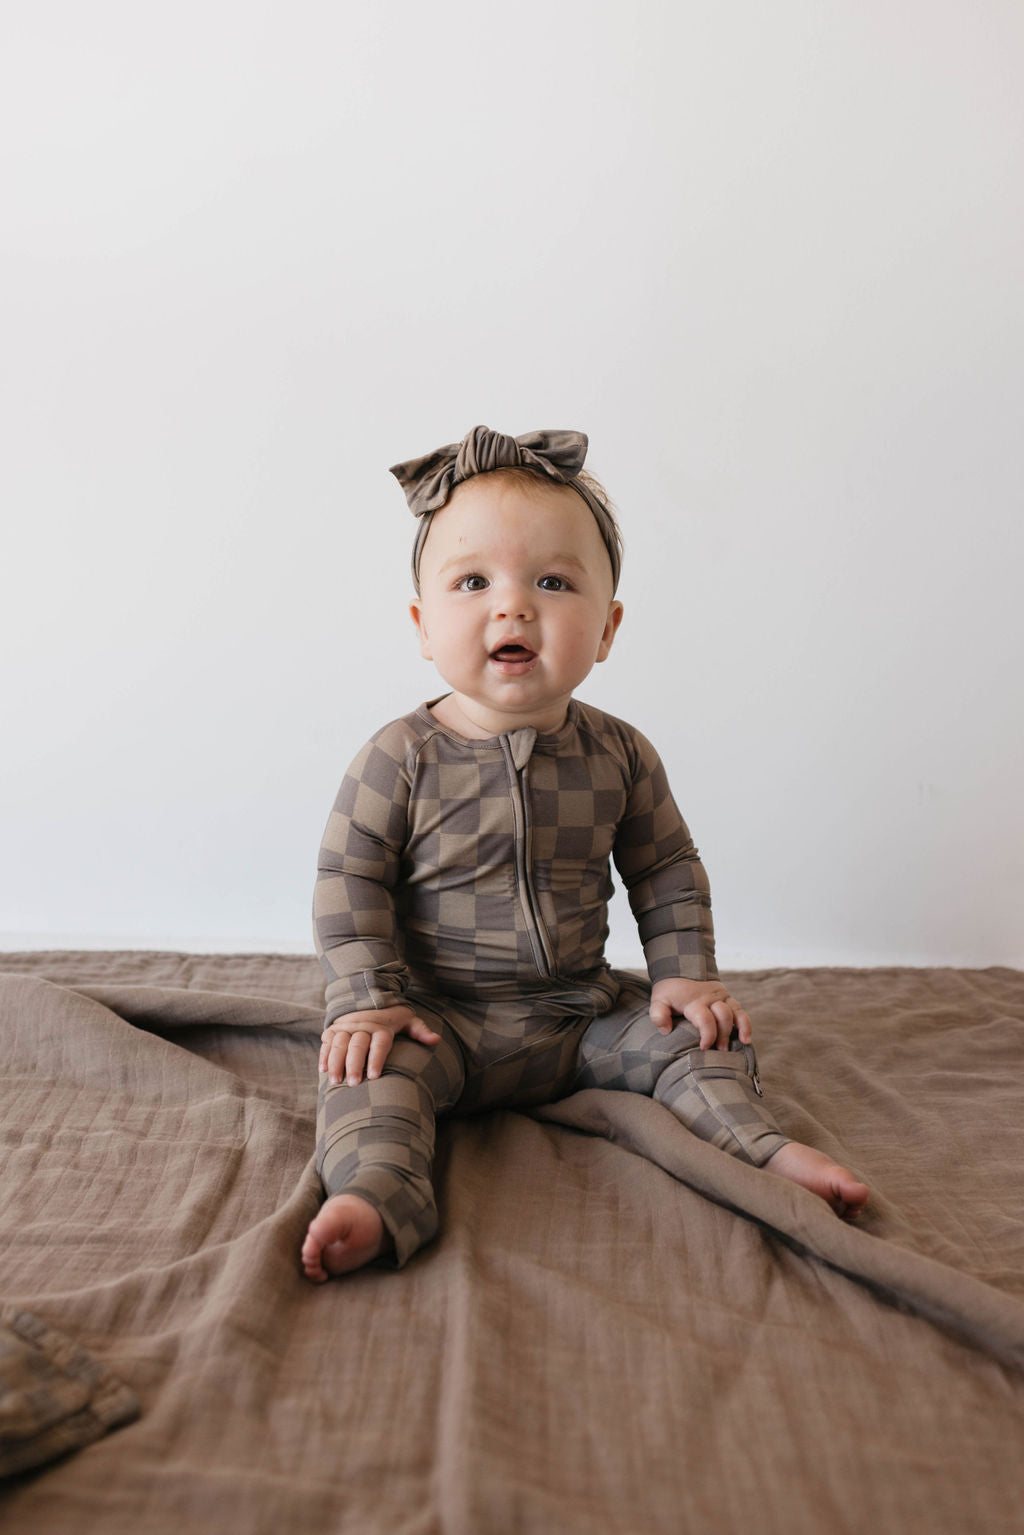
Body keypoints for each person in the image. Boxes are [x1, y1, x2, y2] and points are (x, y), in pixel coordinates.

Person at [301, 426, 868, 1282]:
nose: (512, 606)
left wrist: (683, 973)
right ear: (423, 625)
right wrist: (367, 998)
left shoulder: (619, 754)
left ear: (606, 628)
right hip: (436, 1015)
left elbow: (666, 868)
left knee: (691, 1043)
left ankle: (766, 1150)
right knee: (370, 1082)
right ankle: (376, 1195)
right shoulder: (400, 758)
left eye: (553, 581)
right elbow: (350, 879)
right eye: (473, 581)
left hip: (579, 1016)